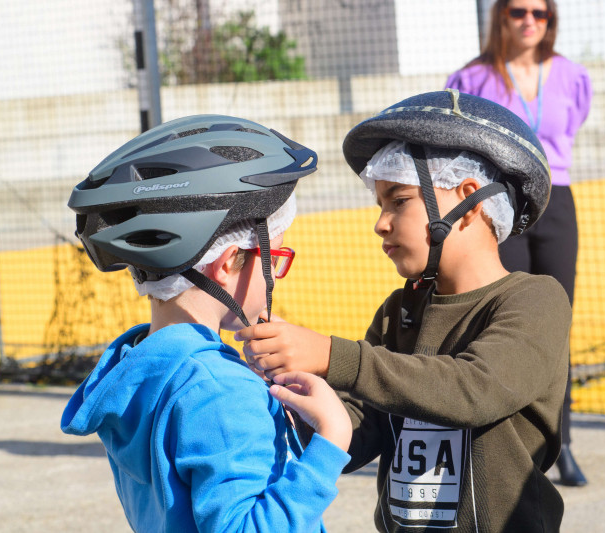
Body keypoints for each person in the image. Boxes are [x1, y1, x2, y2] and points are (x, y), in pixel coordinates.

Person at [236, 89, 572, 532]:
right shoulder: (400, 311)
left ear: (468, 201)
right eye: (380, 206)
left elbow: (476, 390)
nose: (380, 222)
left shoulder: (534, 299)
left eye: (399, 200)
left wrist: (331, 356)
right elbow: (360, 432)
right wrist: (292, 391)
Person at [60, 115, 352, 532]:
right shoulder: (219, 391)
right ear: (230, 262)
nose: (278, 273)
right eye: (277, 258)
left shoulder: (142, 372)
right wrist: (330, 441)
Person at [444, 0, 591, 487]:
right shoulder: (470, 78)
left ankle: (561, 441)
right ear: (500, 18)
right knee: (499, 318)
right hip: (497, 203)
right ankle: (501, 443)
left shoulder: (571, 74)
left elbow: (572, 127)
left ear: (551, 20)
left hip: (558, 200)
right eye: (518, 11)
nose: (529, 21)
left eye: (540, 13)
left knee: (555, 319)